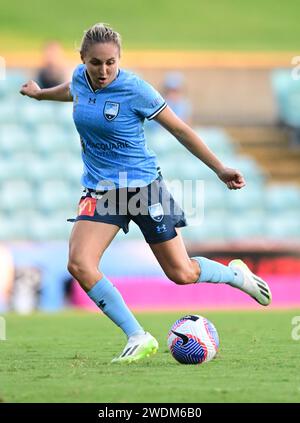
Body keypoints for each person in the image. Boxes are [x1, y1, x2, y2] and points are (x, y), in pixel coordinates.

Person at [20, 23, 272, 364]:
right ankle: (138, 335)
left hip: (143, 187)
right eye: (96, 63)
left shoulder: (135, 89)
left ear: (119, 59)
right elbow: (73, 90)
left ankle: (235, 275)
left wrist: (220, 168)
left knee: (181, 273)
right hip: (103, 190)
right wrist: (41, 94)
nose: (104, 70)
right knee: (80, 264)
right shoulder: (81, 78)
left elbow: (181, 130)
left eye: (111, 62)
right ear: (83, 60)